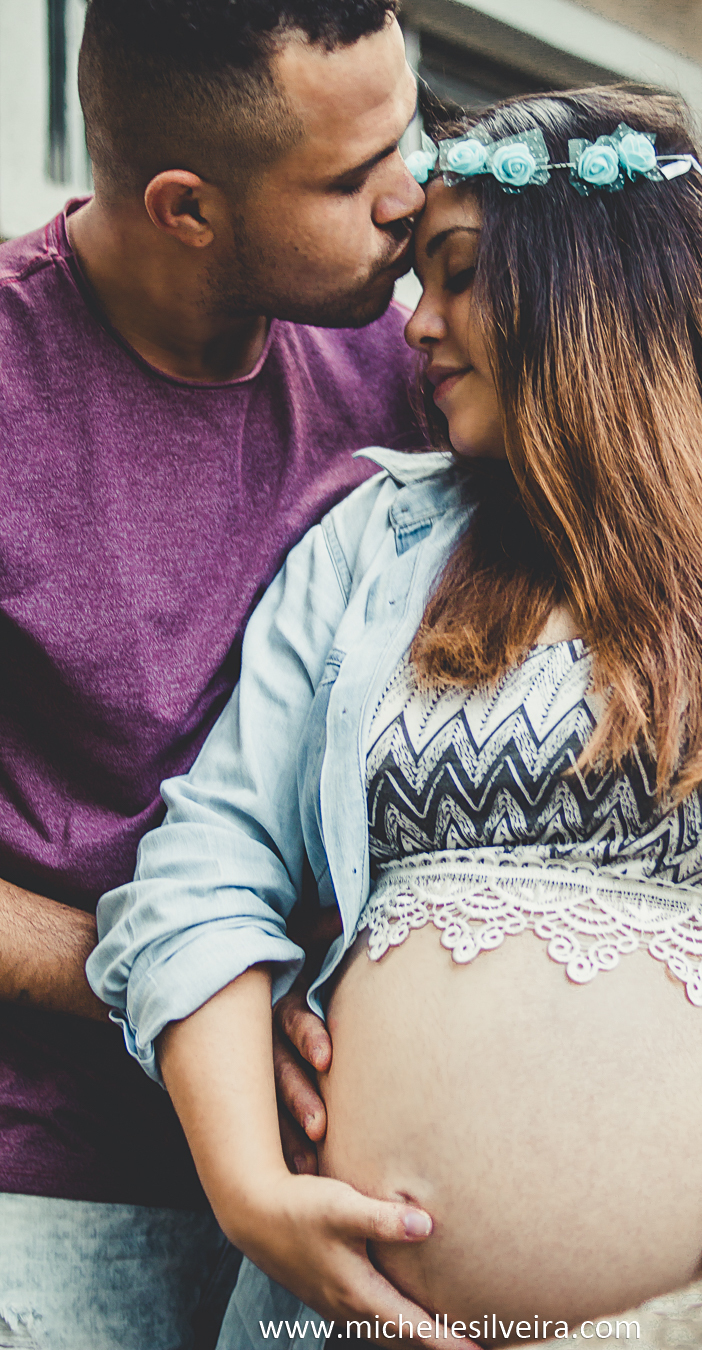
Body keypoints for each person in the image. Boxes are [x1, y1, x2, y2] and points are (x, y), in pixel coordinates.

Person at [88, 88, 702, 1345]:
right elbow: (202, 874)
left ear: (596, 284)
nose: (416, 326)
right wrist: (250, 1193)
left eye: (457, 275)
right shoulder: (372, 543)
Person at [0, 0, 427, 1345]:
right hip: (56, 1179)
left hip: (357, 1156)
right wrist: (203, 980)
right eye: (353, 179)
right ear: (187, 205)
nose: (408, 200)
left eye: (407, 143)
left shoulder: (420, 363)